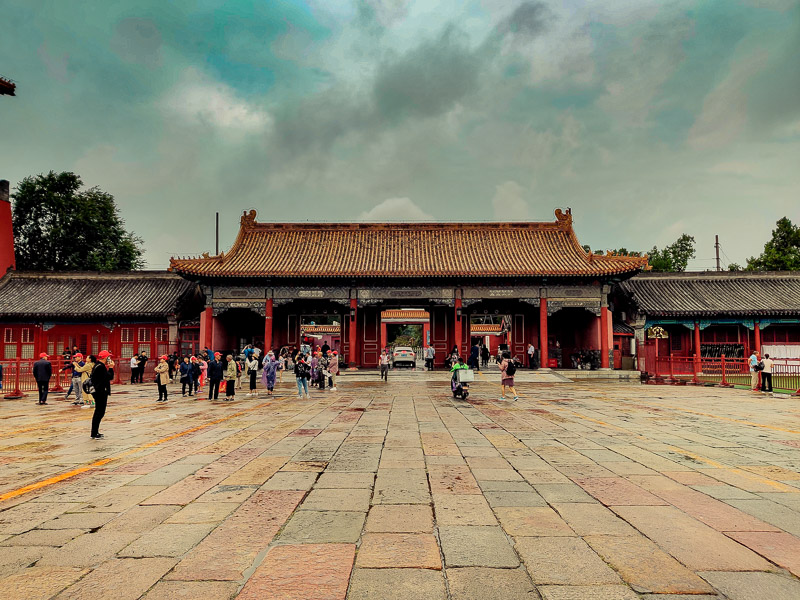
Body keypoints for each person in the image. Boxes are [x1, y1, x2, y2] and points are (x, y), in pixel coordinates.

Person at [90, 351, 112, 439]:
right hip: (100, 391)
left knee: (99, 412)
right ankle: (94, 433)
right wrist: (111, 368)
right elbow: (109, 377)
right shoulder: (101, 367)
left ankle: (95, 432)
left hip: (98, 391)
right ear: (105, 358)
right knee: (99, 412)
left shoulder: (97, 365)